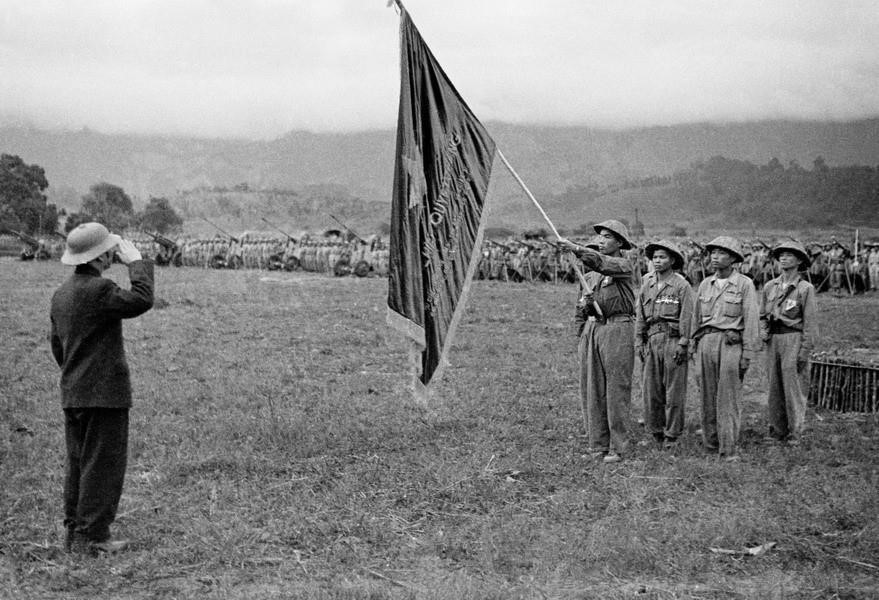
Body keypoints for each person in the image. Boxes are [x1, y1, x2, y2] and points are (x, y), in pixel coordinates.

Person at [50, 222, 154, 555]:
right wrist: (136, 262)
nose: (114, 252)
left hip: (74, 392)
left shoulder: (61, 294)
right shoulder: (100, 290)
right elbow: (141, 300)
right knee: (103, 465)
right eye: (110, 249)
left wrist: (77, 372)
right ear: (100, 256)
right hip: (104, 395)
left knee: (79, 463)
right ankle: (92, 537)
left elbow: (57, 347)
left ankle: (74, 533)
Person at [563, 220, 636, 464]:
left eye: (606, 237)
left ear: (619, 243)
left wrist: (575, 248)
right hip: (594, 329)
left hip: (618, 329)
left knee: (616, 389)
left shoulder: (623, 265)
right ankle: (598, 445)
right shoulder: (590, 277)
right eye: (600, 237)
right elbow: (580, 309)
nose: (602, 241)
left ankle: (619, 447)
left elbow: (603, 263)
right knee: (593, 389)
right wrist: (585, 313)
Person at [689, 236, 759, 462]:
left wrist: (747, 353)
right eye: (712, 253)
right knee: (707, 395)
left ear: (733, 259)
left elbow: (751, 319)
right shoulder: (704, 284)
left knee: (727, 397)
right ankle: (710, 445)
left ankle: (728, 448)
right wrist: (692, 345)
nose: (714, 257)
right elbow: (696, 318)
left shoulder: (744, 284)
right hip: (706, 342)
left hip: (730, 343)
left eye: (721, 253)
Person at [635, 240, 694, 448]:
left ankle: (672, 434)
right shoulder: (647, 285)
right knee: (651, 389)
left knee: (674, 390)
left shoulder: (681, 285)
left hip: (673, 340)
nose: (658, 261)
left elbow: (688, 316)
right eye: (655, 257)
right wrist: (639, 341)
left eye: (663, 257)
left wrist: (684, 343)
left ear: (672, 260)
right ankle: (656, 430)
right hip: (652, 340)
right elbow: (640, 315)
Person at [760, 240, 819, 445]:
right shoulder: (770, 286)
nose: (783, 258)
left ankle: (795, 431)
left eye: (789, 255)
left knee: (793, 385)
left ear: (799, 260)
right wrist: (764, 332)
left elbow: (810, 324)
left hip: (793, 337)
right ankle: (776, 430)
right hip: (773, 340)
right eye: (781, 255)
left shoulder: (805, 289)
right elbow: (761, 315)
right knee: (774, 385)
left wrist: (804, 351)